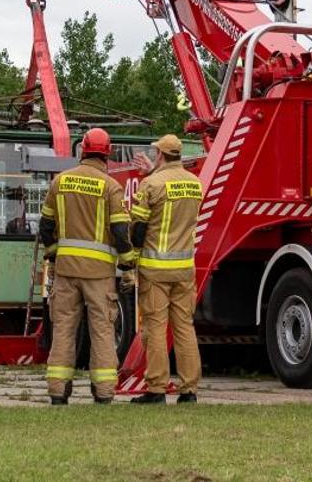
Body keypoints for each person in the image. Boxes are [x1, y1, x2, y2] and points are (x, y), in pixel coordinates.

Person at [38, 128, 133, 404]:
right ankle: (103, 393)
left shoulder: (60, 182)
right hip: (99, 275)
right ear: (108, 153)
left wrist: (55, 256)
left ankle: (58, 391)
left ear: (82, 151)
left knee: (64, 329)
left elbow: (46, 225)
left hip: (67, 272)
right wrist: (127, 265)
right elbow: (119, 229)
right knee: (102, 331)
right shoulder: (110, 186)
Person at [129, 134, 203, 404]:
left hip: (154, 269)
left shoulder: (150, 185)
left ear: (159, 155)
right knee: (185, 327)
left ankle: (157, 388)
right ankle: (189, 390)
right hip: (185, 269)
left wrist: (131, 259)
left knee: (155, 328)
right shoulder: (196, 185)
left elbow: (138, 230)